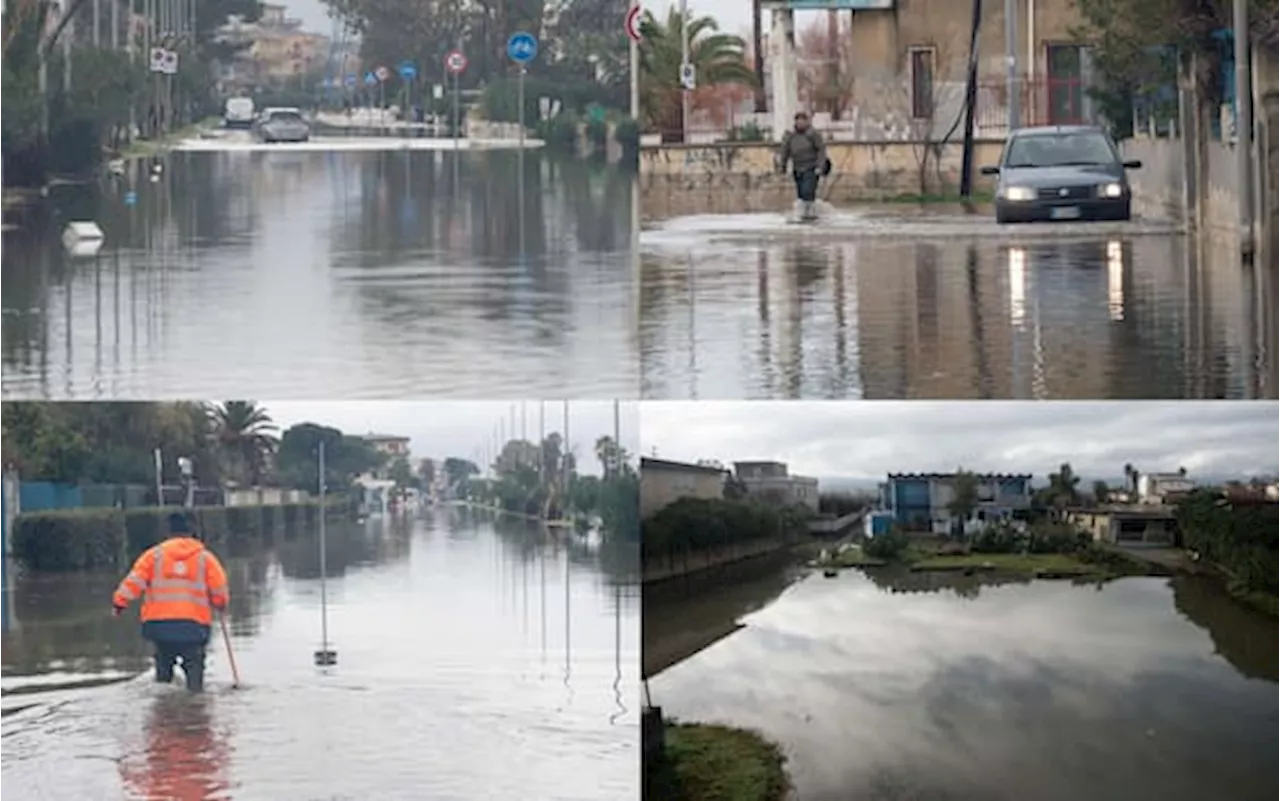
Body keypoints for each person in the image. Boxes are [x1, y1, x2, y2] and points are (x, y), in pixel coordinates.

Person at [113, 513, 230, 692]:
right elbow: (219, 590)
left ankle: (163, 707)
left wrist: (119, 604)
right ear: (192, 531)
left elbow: (133, 583)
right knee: (195, 672)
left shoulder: (152, 556)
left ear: (168, 531)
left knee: (163, 671)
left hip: (159, 625)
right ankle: (195, 701)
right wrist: (220, 604)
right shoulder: (205, 559)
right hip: (194, 627)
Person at [776, 111, 832, 220]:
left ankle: (811, 214)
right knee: (801, 194)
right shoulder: (790, 136)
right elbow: (785, 152)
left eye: (802, 121)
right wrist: (782, 167)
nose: (800, 123)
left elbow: (821, 151)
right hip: (797, 168)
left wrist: (820, 167)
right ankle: (805, 215)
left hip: (811, 168)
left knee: (808, 191)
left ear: (807, 122)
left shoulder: (813, 135)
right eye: (798, 121)